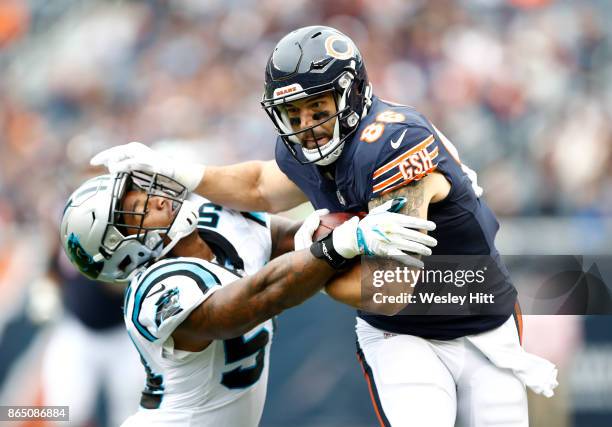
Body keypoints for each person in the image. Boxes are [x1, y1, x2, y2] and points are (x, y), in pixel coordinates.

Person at [91, 26, 559, 427]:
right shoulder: (306, 152)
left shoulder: (393, 143)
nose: (308, 126)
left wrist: (321, 256)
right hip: (403, 335)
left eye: (318, 109)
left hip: (479, 312)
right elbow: (258, 186)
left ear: (353, 93)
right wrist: (184, 172)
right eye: (293, 115)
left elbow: (392, 285)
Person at [59, 170, 436, 426]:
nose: (156, 199)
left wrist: (380, 211)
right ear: (122, 250)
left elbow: (299, 238)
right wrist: (342, 244)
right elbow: (246, 305)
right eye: (138, 209)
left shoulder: (217, 218)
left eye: (144, 191)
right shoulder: (153, 292)